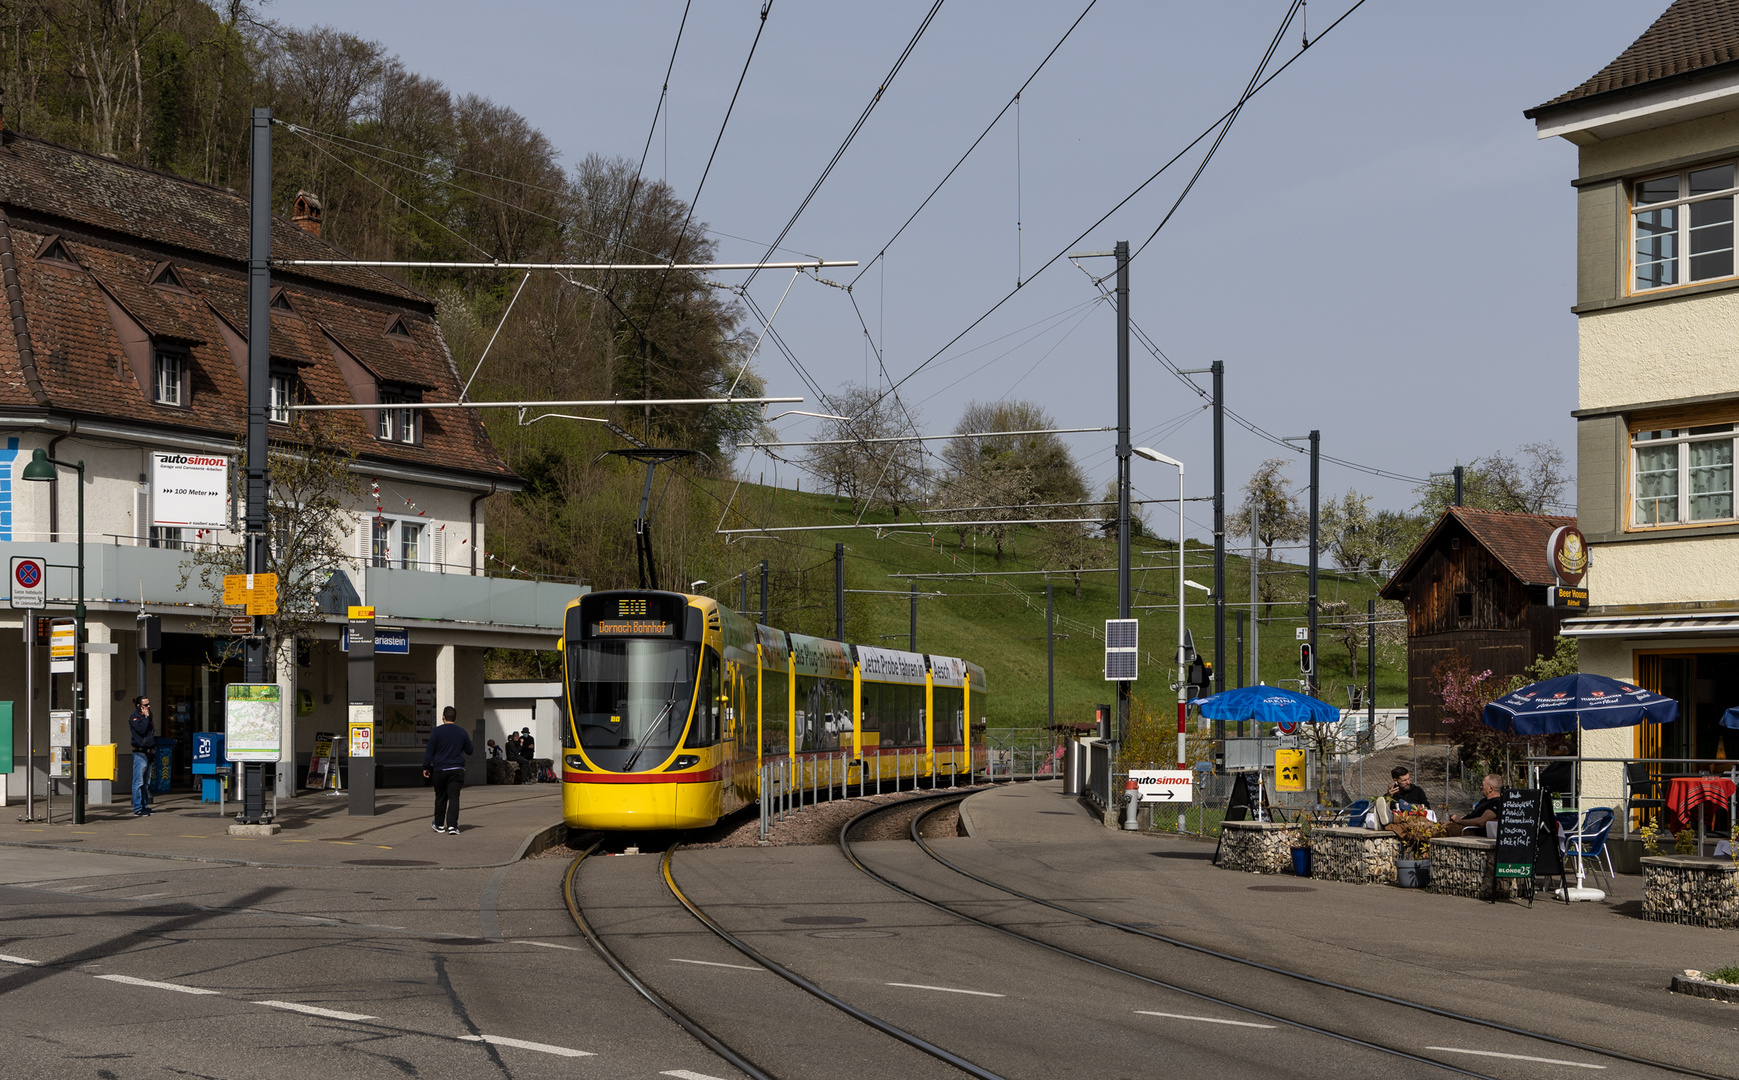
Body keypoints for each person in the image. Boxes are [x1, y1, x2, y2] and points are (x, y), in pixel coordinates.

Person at [422, 706, 474, 834]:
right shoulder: (462, 732)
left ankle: (439, 824)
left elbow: (430, 751)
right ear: (455, 718)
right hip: (457, 769)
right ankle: (452, 826)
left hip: (440, 769)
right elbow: (470, 750)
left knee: (440, 797)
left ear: (443, 716)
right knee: (454, 797)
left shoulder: (437, 732)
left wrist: (426, 766)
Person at [127, 696, 155, 817]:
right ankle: (137, 808)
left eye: (149, 704)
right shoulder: (135, 717)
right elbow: (142, 730)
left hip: (148, 751)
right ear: (139, 705)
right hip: (139, 752)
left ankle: (144, 806)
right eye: (145, 705)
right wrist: (146, 717)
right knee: (138, 782)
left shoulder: (147, 717)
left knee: (146, 782)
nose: (148, 707)